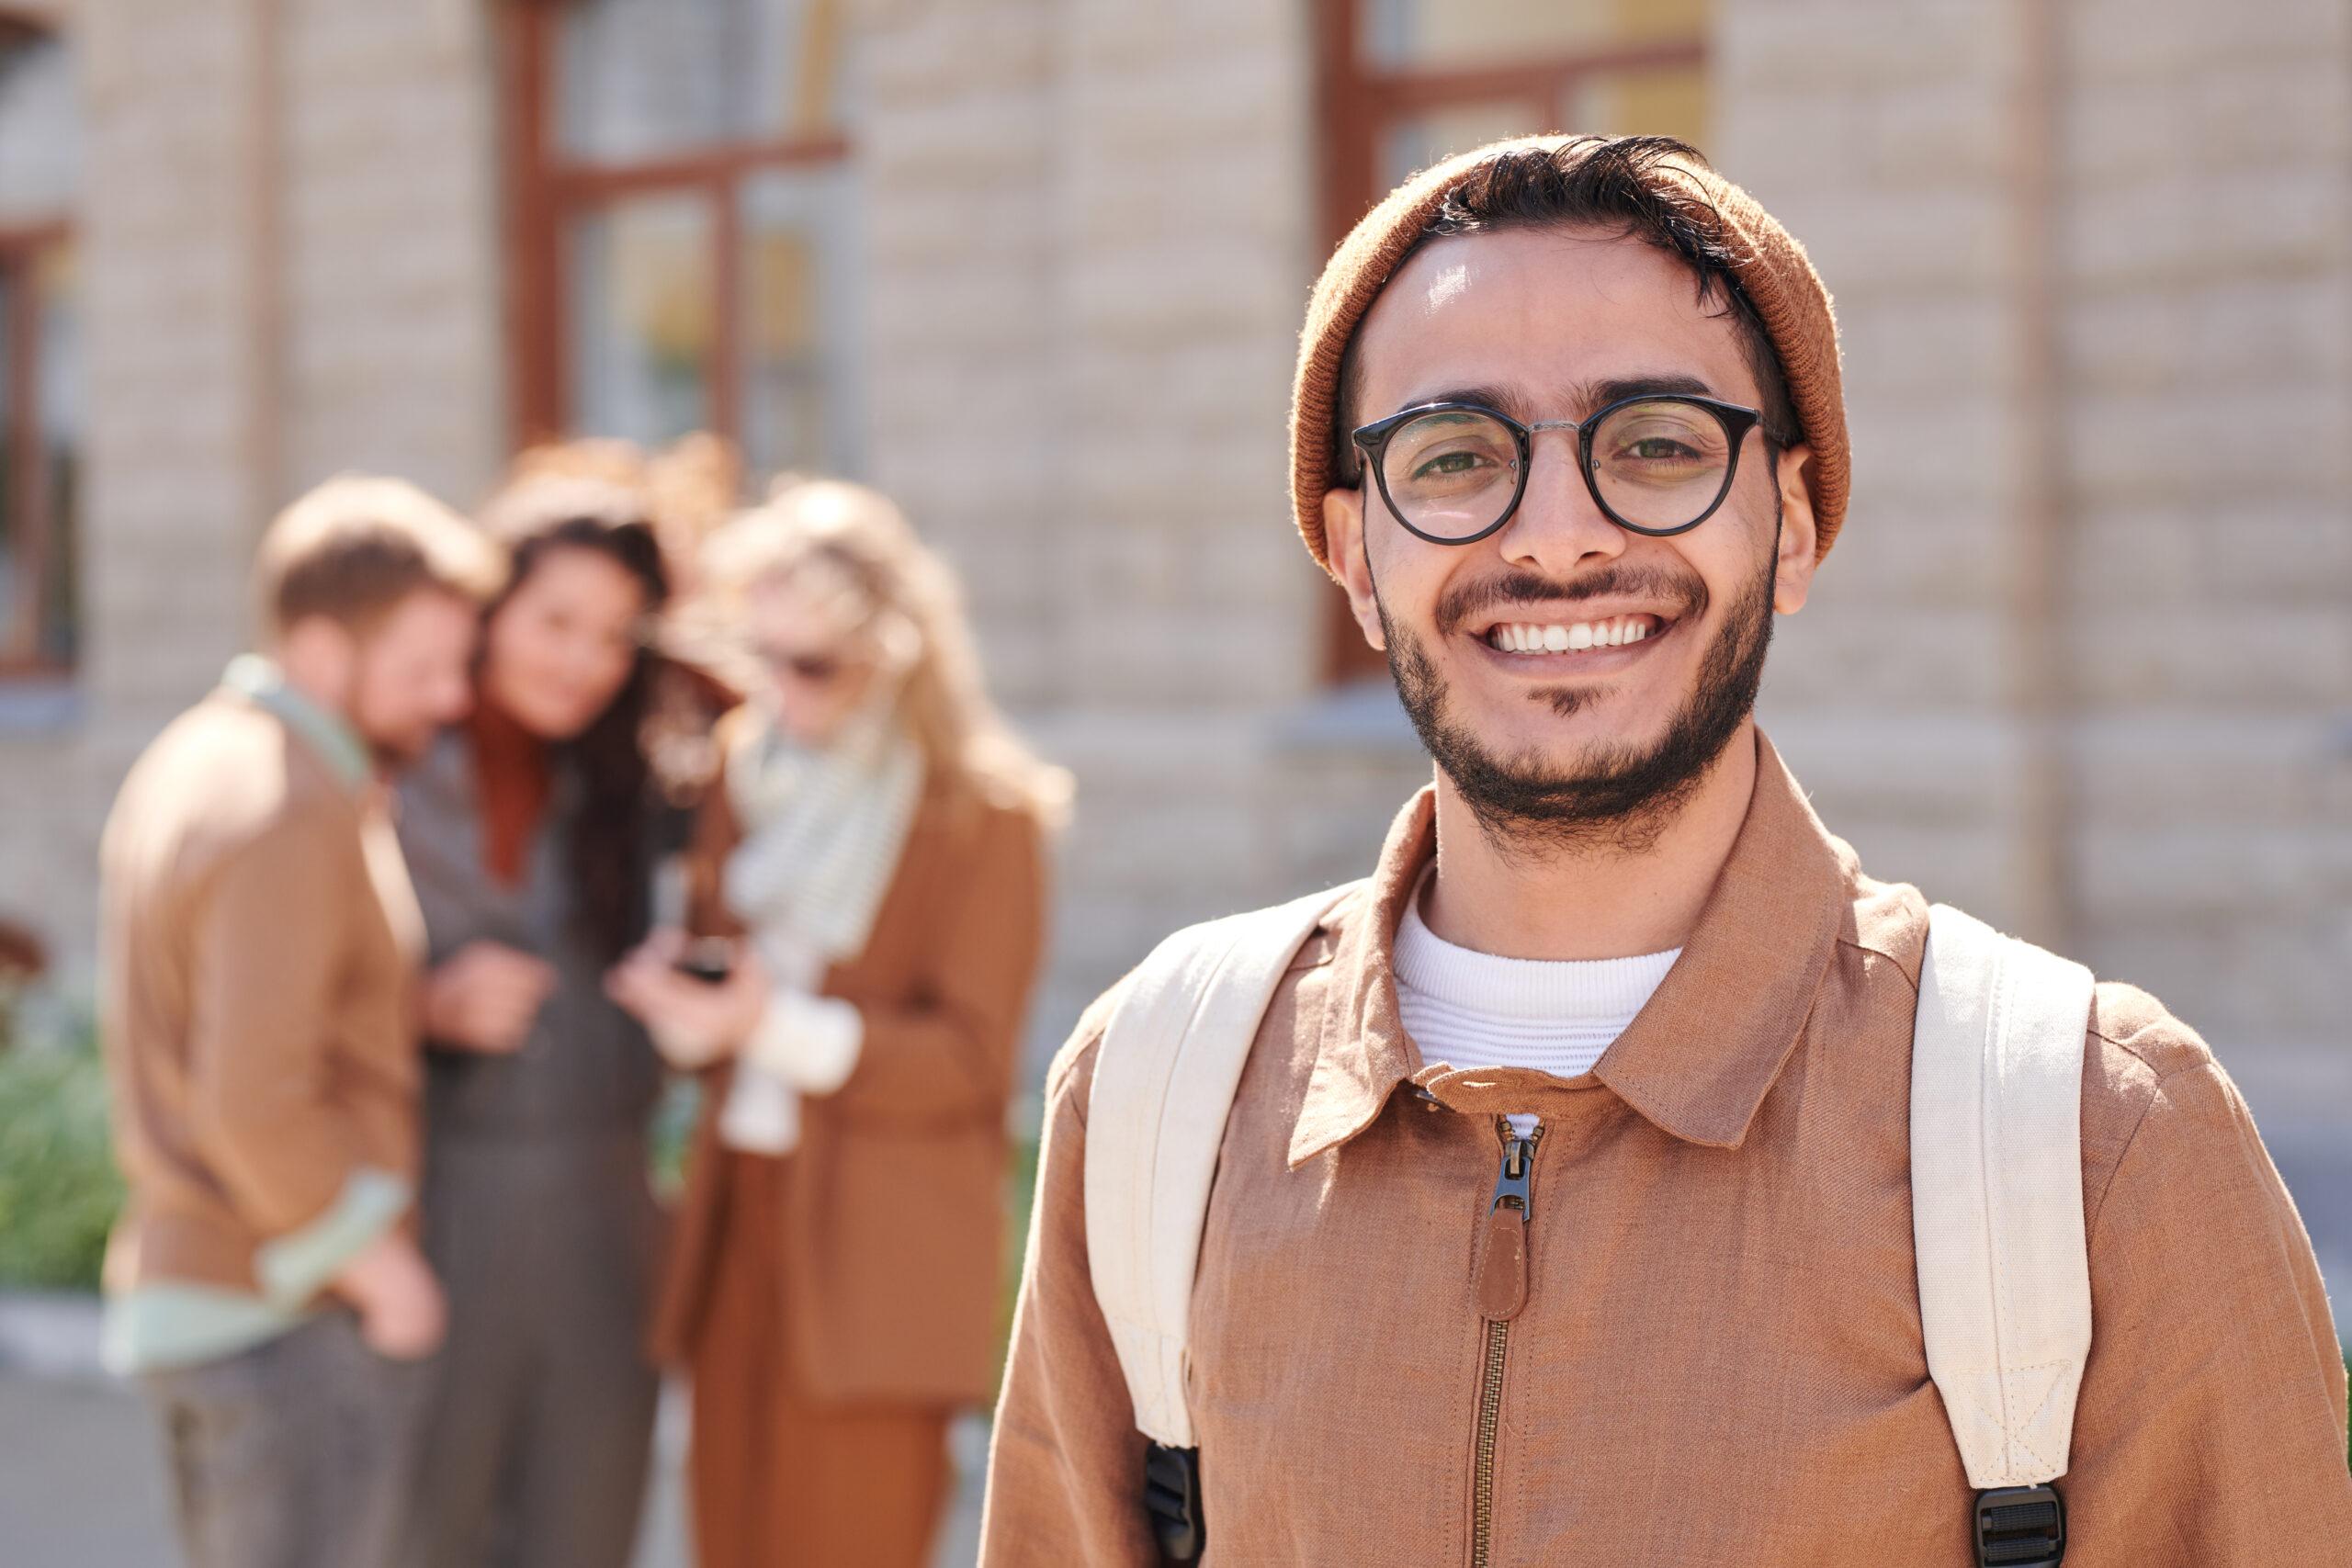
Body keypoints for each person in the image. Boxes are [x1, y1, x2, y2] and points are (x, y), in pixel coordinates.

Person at [978, 135, 2352, 1564]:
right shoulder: (1156, 1092)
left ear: (1799, 525)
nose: (1559, 536)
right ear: (1354, 558)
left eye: (1656, 444)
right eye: (1455, 456)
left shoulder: (2098, 1130)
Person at [606, 478, 1066, 1568]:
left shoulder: (982, 812)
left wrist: (771, 1024)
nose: (776, 690)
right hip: (739, 1227)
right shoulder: (743, 767)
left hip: (879, 1259)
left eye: (809, 664)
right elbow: (727, 999)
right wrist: (690, 1010)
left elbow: (969, 1065)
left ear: (894, 653)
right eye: (758, 656)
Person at [97, 475, 502, 1568]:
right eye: (422, 668)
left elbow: (224, 1015)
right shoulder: (285, 802)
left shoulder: (201, 756)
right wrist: (383, 1275)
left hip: (213, 1301)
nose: (451, 699)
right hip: (282, 1321)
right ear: (322, 650)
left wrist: (414, 1009)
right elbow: (252, 1094)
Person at [390, 477, 673, 1568]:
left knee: (585, 1535)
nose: (581, 662)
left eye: (615, 636)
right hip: (436, 1207)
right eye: (555, 621)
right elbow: (298, 992)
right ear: (486, 611)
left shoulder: (635, 784)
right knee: (425, 1533)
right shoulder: (399, 768)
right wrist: (419, 1007)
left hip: (606, 1225)